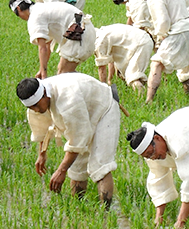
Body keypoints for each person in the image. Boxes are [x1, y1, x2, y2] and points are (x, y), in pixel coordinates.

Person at [15, 73, 118, 207]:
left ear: (45, 94)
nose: (36, 110)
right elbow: (41, 125)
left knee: (100, 165)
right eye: (31, 108)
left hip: (104, 108)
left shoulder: (68, 99)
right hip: (84, 111)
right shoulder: (37, 99)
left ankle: (106, 215)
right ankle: (78, 206)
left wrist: (60, 171)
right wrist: (42, 153)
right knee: (76, 168)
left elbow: (78, 138)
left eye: (36, 105)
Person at [10, 0, 96, 79]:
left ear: (19, 8)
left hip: (80, 35)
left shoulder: (34, 17)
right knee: (64, 72)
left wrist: (44, 75)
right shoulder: (41, 8)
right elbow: (47, 46)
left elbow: (42, 48)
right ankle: (91, 88)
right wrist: (42, 70)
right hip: (86, 31)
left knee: (63, 74)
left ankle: (95, 89)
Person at [144, 0, 189, 103]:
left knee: (156, 64)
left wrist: (161, 35)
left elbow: (163, 21)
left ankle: (149, 101)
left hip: (179, 31)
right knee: (185, 69)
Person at [93, 24, 153, 90]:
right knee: (127, 73)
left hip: (140, 44)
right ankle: (141, 91)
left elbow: (102, 69)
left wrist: (104, 90)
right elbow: (111, 61)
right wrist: (110, 80)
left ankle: (143, 97)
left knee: (132, 76)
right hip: (144, 40)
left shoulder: (99, 42)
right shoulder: (103, 32)